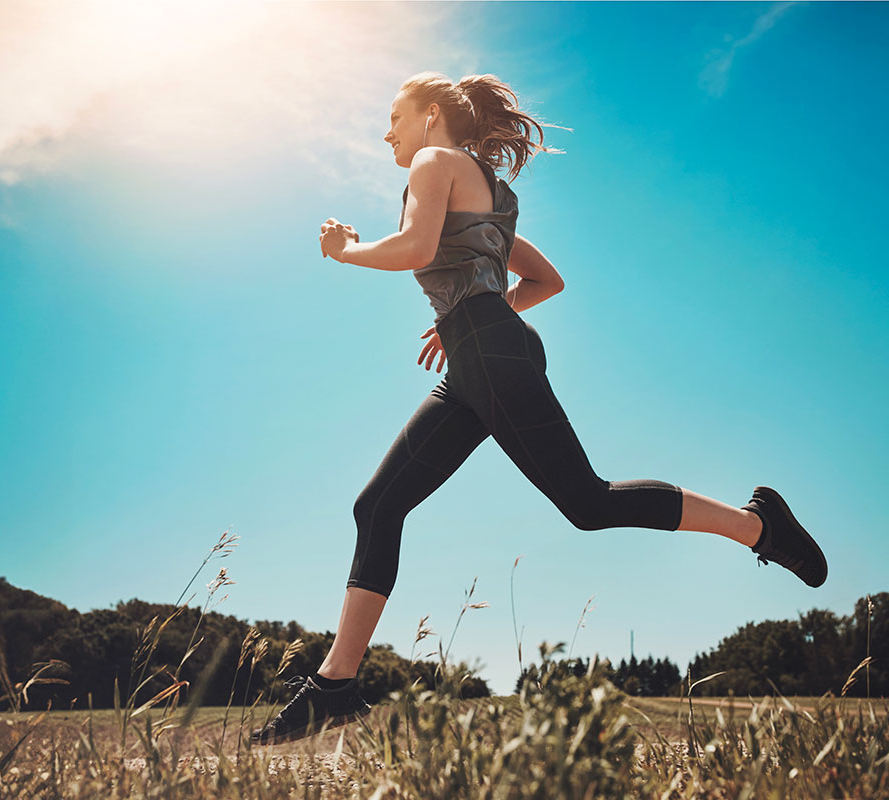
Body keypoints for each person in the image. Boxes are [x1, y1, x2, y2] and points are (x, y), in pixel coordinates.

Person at [249, 71, 827, 747]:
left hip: (490, 352)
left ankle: (757, 525)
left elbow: (415, 248)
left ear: (431, 116)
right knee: (377, 506)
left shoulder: (435, 161)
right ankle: (335, 686)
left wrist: (343, 250)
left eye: (395, 119)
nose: (388, 134)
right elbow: (543, 280)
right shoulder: (493, 193)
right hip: (481, 354)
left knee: (589, 502)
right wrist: (471, 312)